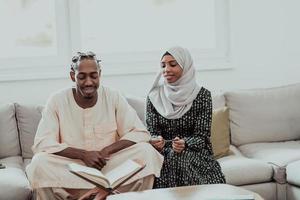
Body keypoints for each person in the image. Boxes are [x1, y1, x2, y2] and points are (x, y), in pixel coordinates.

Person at [26, 51, 163, 200]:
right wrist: (83, 155)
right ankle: (99, 194)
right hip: (73, 166)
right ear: (73, 76)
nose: (89, 82)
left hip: (108, 165)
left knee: (146, 151)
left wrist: (106, 150)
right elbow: (43, 142)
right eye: (82, 76)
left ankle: (101, 193)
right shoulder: (57, 100)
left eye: (93, 75)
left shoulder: (113, 96)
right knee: (39, 163)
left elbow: (139, 132)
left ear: (100, 74)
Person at [146, 46, 226, 189]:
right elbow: (152, 132)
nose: (166, 70)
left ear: (186, 66)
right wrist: (156, 140)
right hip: (164, 151)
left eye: (173, 64)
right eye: (163, 65)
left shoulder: (202, 96)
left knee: (179, 158)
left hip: (194, 151)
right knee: (171, 159)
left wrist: (185, 143)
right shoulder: (154, 97)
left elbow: (202, 137)